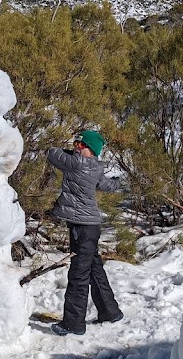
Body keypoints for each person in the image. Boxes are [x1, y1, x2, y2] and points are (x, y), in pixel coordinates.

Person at [46, 130, 124, 335]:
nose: (76, 147)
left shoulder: (76, 162)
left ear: (90, 150)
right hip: (90, 226)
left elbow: (52, 153)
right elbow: (107, 185)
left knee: (79, 274)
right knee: (94, 268)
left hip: (82, 226)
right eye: (76, 143)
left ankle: (73, 324)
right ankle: (110, 311)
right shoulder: (96, 167)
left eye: (81, 145)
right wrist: (118, 182)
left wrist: (69, 152)